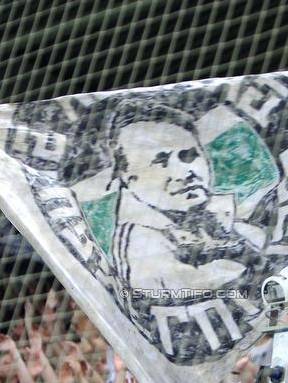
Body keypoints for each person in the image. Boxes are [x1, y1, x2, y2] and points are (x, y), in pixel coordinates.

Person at [108, 101, 266, 292]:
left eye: (189, 156)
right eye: (161, 162)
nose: (185, 172)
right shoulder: (139, 246)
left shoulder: (241, 230)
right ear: (129, 178)